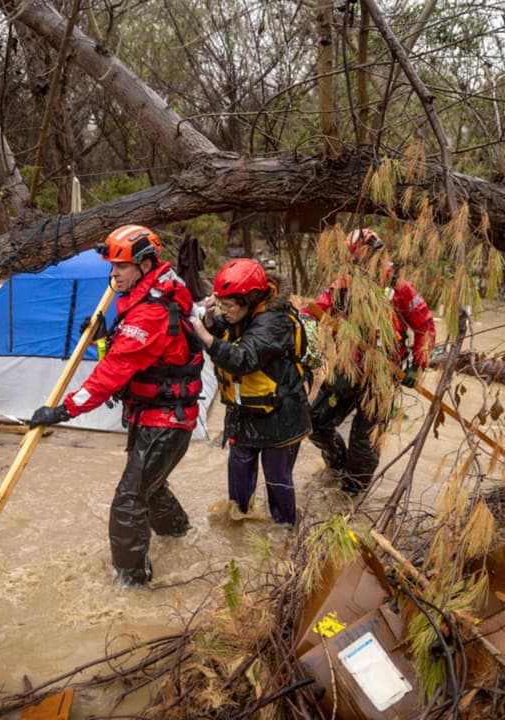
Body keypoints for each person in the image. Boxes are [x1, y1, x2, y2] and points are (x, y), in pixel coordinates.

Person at [29, 224, 204, 587]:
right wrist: (104, 335)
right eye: (112, 266)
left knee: (128, 502)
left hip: (165, 421)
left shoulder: (150, 312)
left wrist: (63, 410)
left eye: (121, 266)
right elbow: (133, 354)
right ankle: (182, 538)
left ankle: (132, 585)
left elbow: (112, 373)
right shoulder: (146, 295)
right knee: (151, 489)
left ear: (145, 264)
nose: (114, 274)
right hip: (155, 415)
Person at [301, 228, 437, 496]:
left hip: (382, 376)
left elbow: (425, 327)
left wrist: (417, 366)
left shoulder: (400, 288)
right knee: (314, 422)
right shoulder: (343, 285)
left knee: (365, 443)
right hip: (347, 368)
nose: (360, 266)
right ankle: (336, 465)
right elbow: (315, 311)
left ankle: (351, 497)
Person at [189, 258, 311, 527]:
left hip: (280, 415)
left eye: (229, 305)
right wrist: (209, 321)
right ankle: (238, 532)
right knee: (239, 481)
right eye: (221, 304)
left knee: (277, 481)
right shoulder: (243, 314)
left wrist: (205, 337)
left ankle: (284, 534)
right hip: (244, 413)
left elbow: (243, 358)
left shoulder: (275, 322)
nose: (224, 311)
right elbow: (229, 332)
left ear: (250, 300)